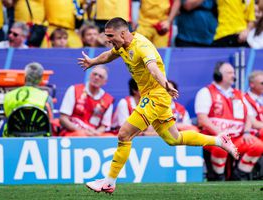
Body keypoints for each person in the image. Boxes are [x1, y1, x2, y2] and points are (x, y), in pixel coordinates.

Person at [78, 17, 239, 194]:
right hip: (152, 96)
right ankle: (219, 140)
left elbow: (153, 68)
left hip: (156, 95)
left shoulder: (142, 46)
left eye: (110, 35)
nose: (107, 39)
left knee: (124, 134)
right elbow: (109, 55)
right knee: (174, 139)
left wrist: (166, 85)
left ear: (123, 33)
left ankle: (109, 181)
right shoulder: (121, 45)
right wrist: (93, 61)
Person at [195, 62, 263, 180]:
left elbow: (249, 117)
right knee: (221, 147)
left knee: (258, 146)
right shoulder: (206, 92)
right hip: (213, 136)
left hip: (237, 136)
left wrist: (246, 132)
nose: (233, 75)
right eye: (229, 73)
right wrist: (220, 133)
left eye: (233, 72)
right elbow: (202, 119)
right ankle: (218, 176)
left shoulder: (239, 94)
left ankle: (239, 175)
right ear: (218, 75)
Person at [59, 65, 115, 137]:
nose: (96, 77)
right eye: (94, 74)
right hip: (73, 132)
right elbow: (63, 119)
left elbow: (104, 126)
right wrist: (81, 131)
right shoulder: (74, 90)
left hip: (93, 134)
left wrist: (95, 133)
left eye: (100, 76)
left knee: (110, 137)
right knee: (81, 135)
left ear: (105, 82)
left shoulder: (108, 100)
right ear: (89, 75)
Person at [3, 62, 54, 137]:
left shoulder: (8, 96)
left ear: (25, 77)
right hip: (39, 139)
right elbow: (50, 121)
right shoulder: (46, 98)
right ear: (41, 79)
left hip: (12, 139)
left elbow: (7, 115)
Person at [244, 70, 263, 140]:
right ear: (252, 84)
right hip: (254, 134)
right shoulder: (244, 99)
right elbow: (254, 123)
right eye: (262, 83)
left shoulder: (261, 98)